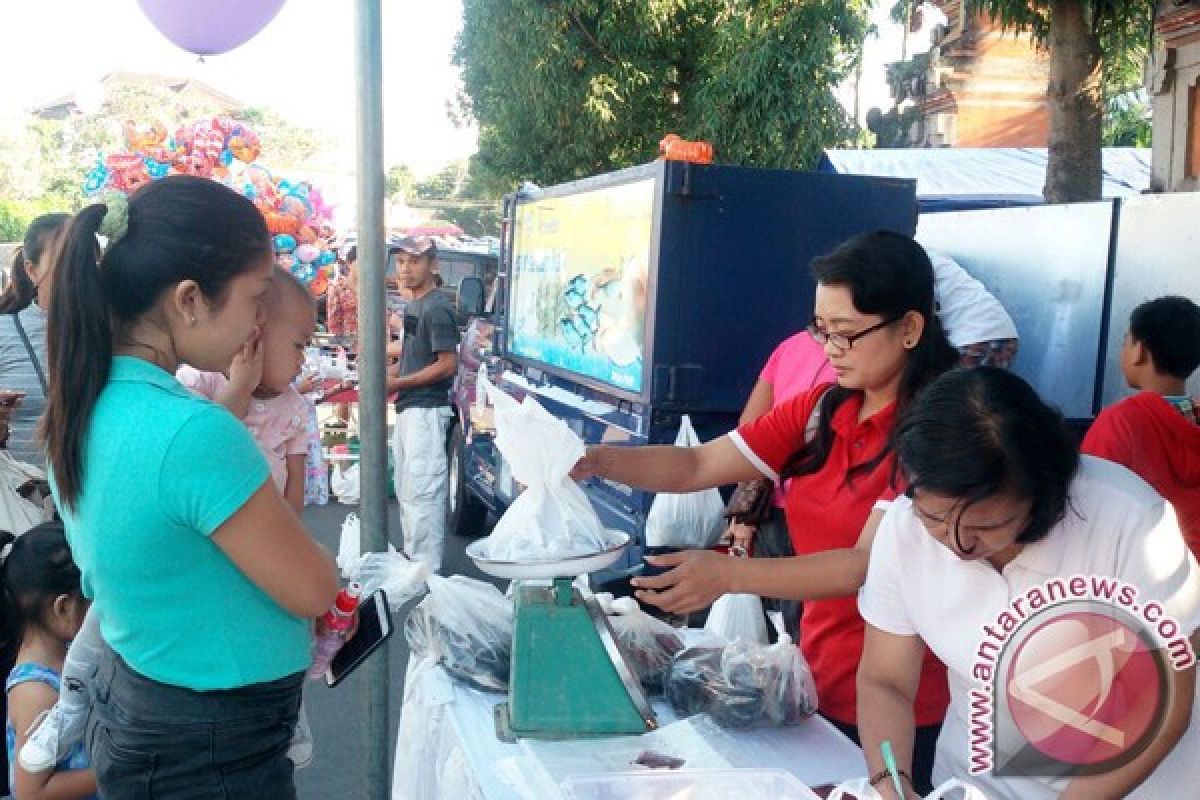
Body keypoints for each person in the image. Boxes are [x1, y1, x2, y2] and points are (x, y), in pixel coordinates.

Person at [575, 231, 957, 792]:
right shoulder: (823, 408)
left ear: (909, 328)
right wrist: (596, 459)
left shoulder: (939, 430)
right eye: (821, 331)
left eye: (846, 334)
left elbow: (863, 564)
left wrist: (729, 574)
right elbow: (698, 466)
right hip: (815, 676)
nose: (829, 350)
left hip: (905, 698)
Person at [40, 177, 339, 798]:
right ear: (189, 300)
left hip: (149, 704)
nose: (262, 321)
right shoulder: (192, 433)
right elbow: (312, 589)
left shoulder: (86, 405)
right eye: (256, 298)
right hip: (212, 740)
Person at [857, 367, 1199, 800]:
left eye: (988, 525)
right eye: (936, 520)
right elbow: (885, 679)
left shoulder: (1128, 519)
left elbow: (1162, 703)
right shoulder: (904, 531)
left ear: (1043, 492)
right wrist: (893, 783)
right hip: (977, 777)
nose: (958, 545)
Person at [1082, 295, 1200, 559]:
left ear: (1140, 351)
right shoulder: (1192, 418)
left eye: (1125, 341)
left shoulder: (1119, 422)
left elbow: (1088, 502)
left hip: (1143, 570)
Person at [2, 523, 97, 800]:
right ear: (64, 608)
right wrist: (115, 768)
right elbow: (32, 792)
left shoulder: (70, 652)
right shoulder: (35, 692)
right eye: (91, 601)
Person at [386, 236, 459, 572]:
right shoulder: (414, 306)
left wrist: (397, 382)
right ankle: (413, 556)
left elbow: (447, 364)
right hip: (409, 406)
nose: (406, 269)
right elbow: (414, 355)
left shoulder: (437, 307)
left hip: (427, 409)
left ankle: (425, 567)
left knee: (424, 489)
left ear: (433, 265)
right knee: (407, 486)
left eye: (414, 261)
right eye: (401, 261)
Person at [0, 214, 71, 466]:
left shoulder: (113, 334)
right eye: (64, 261)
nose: (77, 273)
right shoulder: (4, 331)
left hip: (88, 497)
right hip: (20, 494)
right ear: (32, 270)